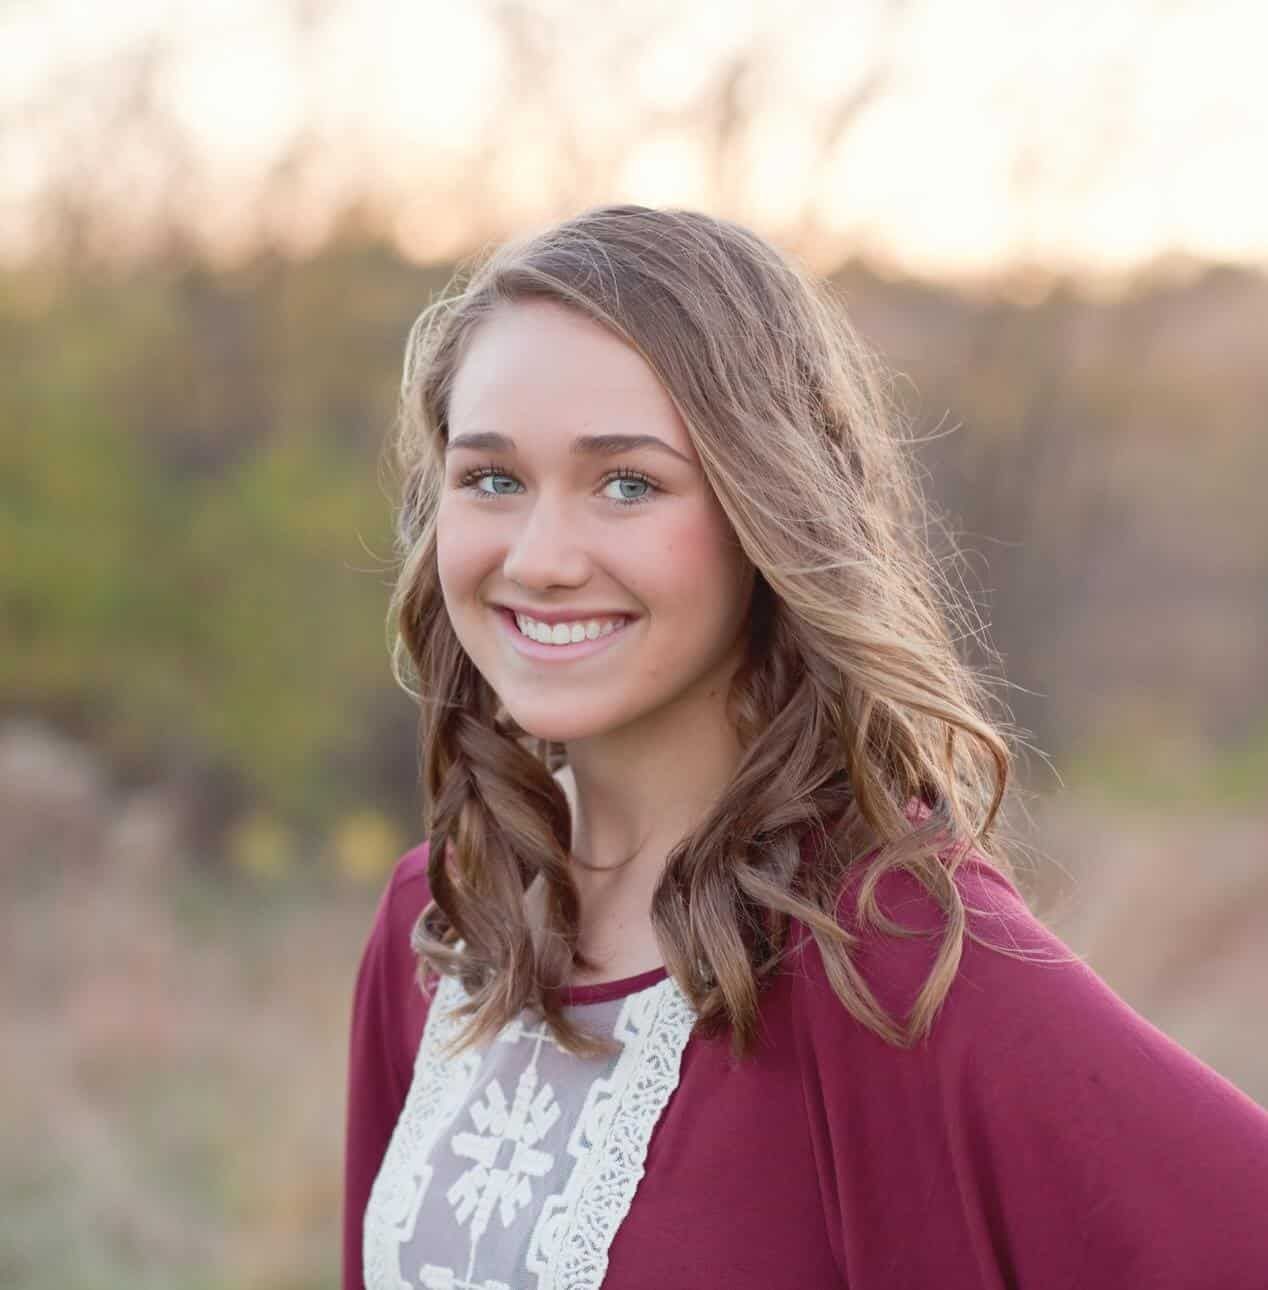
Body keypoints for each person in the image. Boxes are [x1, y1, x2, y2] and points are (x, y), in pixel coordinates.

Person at [343, 205, 1268, 1290]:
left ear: (765, 508)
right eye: (491, 478)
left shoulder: (892, 958)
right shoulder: (440, 923)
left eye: (627, 483)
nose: (540, 558)